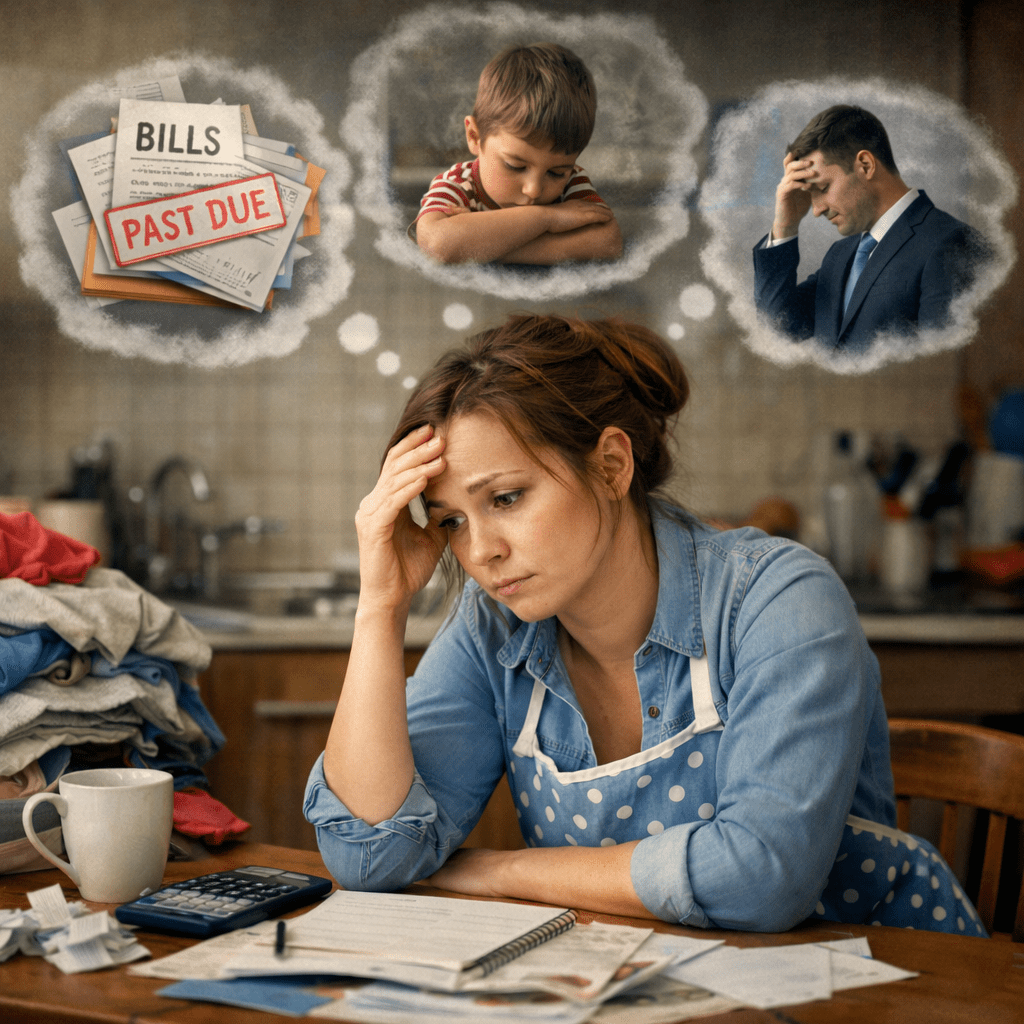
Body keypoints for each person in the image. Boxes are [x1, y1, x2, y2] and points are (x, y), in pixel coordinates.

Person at [304, 313, 984, 936]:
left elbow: (759, 877)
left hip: (881, 985)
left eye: (506, 498)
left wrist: (494, 872)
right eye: (451, 520)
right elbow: (368, 857)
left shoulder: (777, 599)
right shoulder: (493, 631)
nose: (480, 550)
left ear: (610, 465)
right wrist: (380, 609)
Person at [752, 105, 986, 352]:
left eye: (822, 189)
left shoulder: (953, 241)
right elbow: (778, 330)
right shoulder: (839, 255)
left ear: (865, 165)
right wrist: (785, 225)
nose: (817, 210)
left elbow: (942, 359)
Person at [410, 43, 622, 265]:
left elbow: (608, 241)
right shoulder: (457, 184)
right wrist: (549, 217)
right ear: (475, 136)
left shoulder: (572, 180)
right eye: (515, 166)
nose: (534, 189)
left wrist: (475, 245)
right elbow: (436, 245)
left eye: (556, 173)